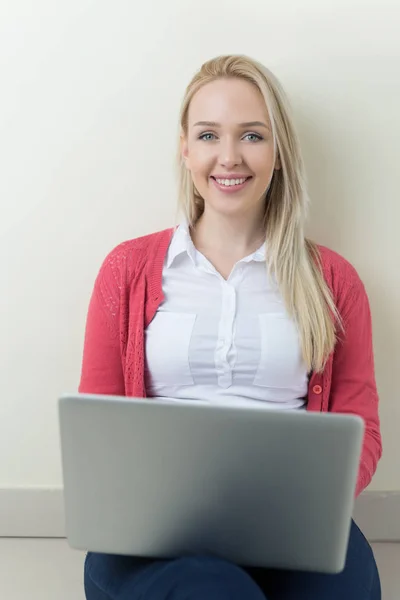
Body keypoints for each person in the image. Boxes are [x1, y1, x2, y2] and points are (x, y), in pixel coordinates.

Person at [79, 55, 382, 599]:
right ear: (186, 149)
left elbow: (362, 428)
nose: (229, 156)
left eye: (252, 135)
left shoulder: (335, 283)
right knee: (212, 589)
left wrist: (315, 501)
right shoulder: (126, 272)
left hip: (294, 523)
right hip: (154, 537)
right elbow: (97, 427)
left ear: (279, 151)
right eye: (209, 134)